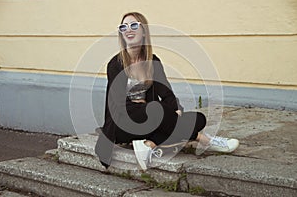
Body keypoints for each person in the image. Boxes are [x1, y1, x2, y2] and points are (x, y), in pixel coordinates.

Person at [95, 12, 239, 170]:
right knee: (158, 109)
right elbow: (119, 105)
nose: (128, 29)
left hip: (150, 120)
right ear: (121, 34)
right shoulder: (115, 64)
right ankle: (203, 139)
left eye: (134, 25)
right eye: (123, 27)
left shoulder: (153, 61)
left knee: (198, 118)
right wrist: (151, 109)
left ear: (144, 31)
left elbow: (167, 94)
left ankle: (149, 144)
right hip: (123, 125)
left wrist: (175, 110)